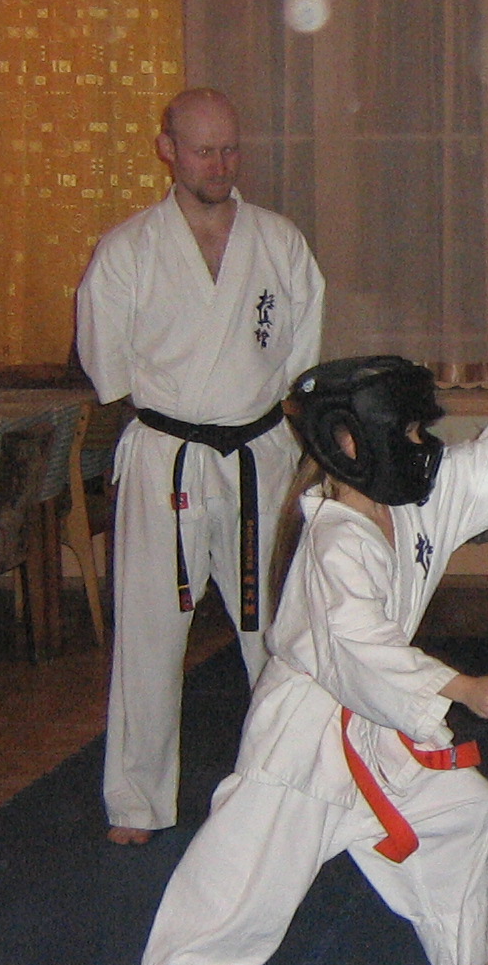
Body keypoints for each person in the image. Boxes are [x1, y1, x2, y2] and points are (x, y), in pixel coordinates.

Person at [136, 310, 488, 965]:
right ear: (352, 443)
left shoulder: (410, 508)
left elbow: (487, 463)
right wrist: (456, 687)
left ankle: (467, 943)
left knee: (463, 809)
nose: (423, 448)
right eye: (411, 433)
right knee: (247, 872)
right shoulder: (334, 540)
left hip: (376, 727)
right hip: (302, 739)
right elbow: (358, 645)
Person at [76, 89, 326, 844]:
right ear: (167, 150)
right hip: (167, 459)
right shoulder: (127, 252)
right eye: (202, 150)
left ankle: (299, 786)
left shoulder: (280, 242)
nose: (219, 165)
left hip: (259, 454)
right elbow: (109, 368)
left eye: (230, 149)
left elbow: (300, 360)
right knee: (150, 633)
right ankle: (137, 801)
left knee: (280, 628)